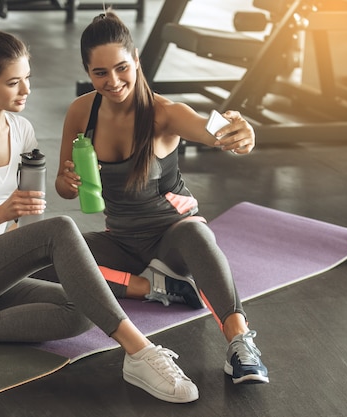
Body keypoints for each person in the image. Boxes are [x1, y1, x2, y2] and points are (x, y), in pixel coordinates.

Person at [0, 28, 199, 404]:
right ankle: (140, 351)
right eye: (13, 83)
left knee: (79, 310)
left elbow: (23, 221)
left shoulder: (23, 130)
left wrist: (5, 235)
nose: (26, 90)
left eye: (27, 78)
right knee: (60, 230)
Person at [55, 12, 269, 385]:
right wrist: (67, 182)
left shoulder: (165, 114)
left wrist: (240, 132)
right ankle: (157, 288)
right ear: (88, 72)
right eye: (100, 73)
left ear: (136, 60)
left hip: (173, 239)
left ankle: (241, 344)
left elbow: (211, 129)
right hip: (121, 240)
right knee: (53, 256)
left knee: (197, 234)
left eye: (122, 67)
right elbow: (61, 183)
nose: (114, 81)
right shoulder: (80, 112)